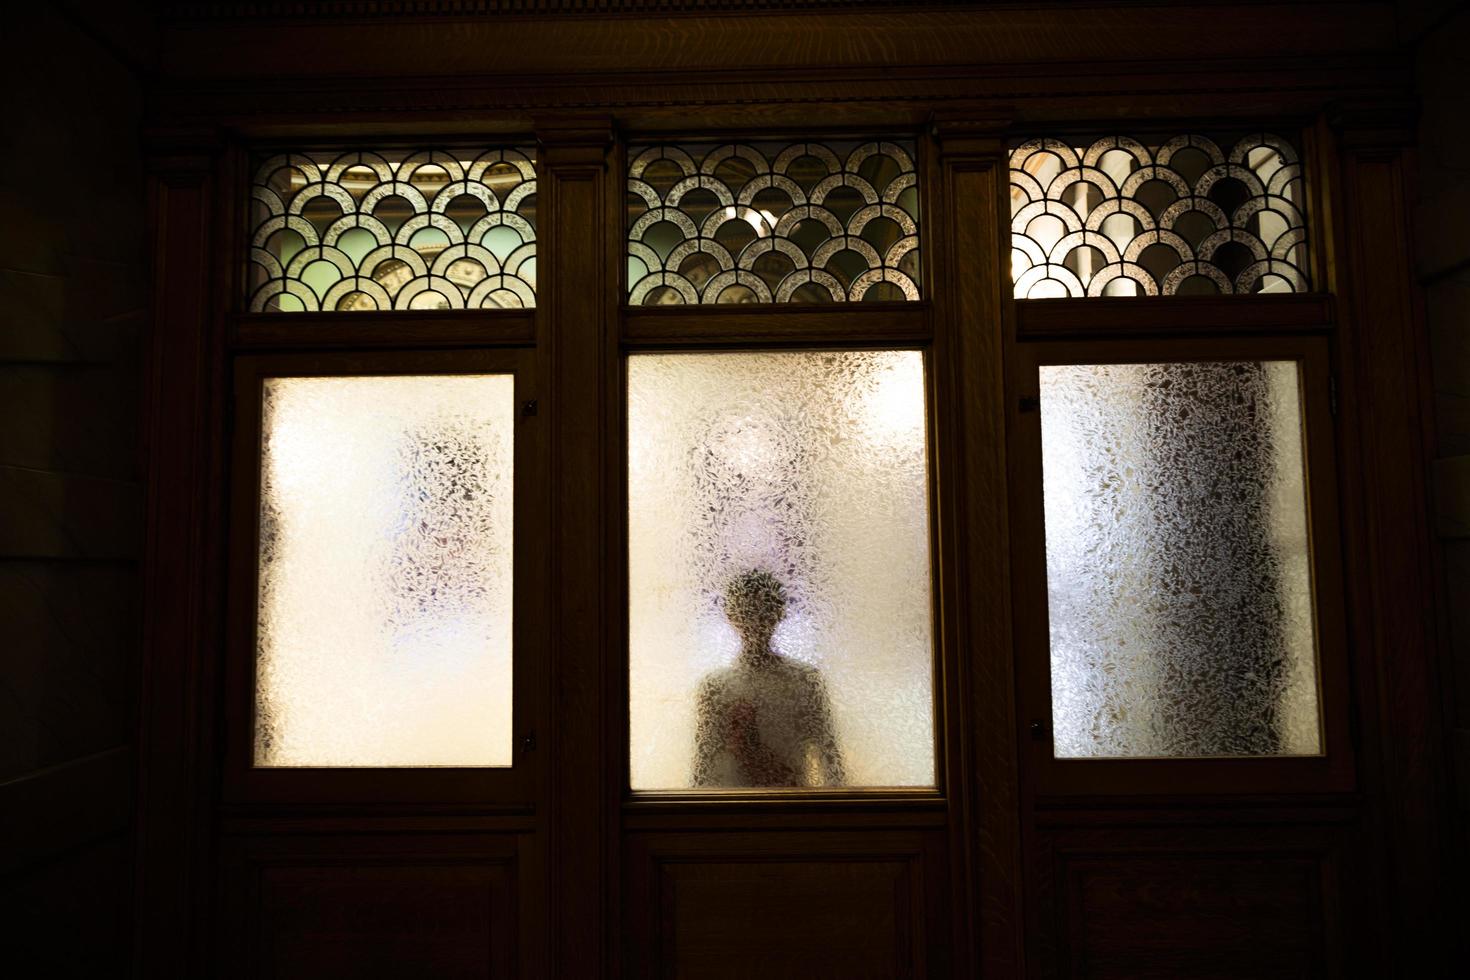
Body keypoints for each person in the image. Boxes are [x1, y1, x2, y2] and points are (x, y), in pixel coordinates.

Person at [692, 569, 846, 787]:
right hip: (751, 806)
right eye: (748, 611)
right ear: (732, 616)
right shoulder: (716, 686)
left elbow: (831, 760)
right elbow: (703, 767)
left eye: (763, 612)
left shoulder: (805, 681)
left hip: (769, 807)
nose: (755, 621)